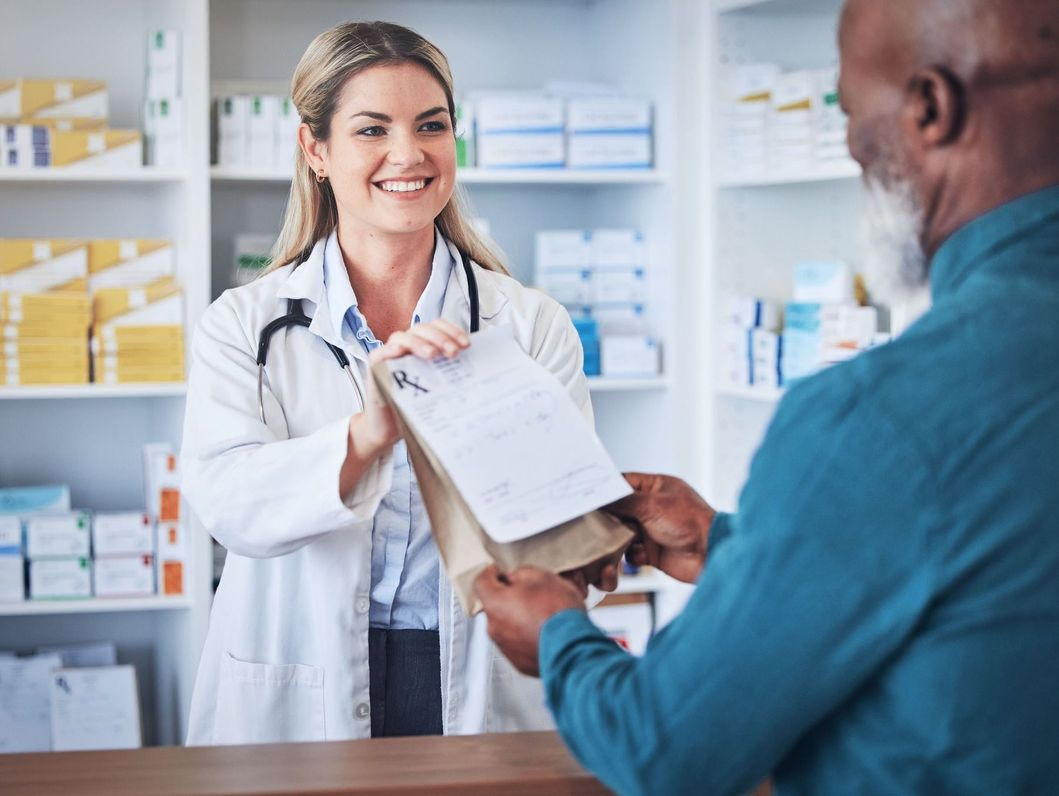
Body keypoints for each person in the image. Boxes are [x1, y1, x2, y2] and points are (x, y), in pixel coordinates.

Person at [475, 0, 1059, 792]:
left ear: (930, 108)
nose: (854, 149)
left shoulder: (878, 416)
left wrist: (557, 638)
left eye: (852, 112)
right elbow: (989, 578)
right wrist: (729, 543)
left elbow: (664, 749)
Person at [181, 20, 612, 745]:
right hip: (299, 677)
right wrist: (369, 431)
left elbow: (562, 532)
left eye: (431, 125)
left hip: (478, 672)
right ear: (315, 149)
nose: (408, 155)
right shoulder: (242, 326)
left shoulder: (529, 326)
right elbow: (229, 506)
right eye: (371, 130)